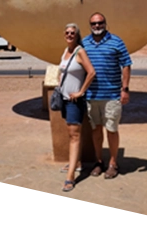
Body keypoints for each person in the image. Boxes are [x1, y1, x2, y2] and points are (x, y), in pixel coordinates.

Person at [82, 12, 132, 179]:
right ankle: (98, 161)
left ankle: (113, 163)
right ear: (90, 25)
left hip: (111, 95)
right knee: (96, 130)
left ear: (105, 23)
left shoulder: (116, 41)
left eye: (100, 23)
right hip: (91, 95)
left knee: (111, 129)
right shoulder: (85, 43)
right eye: (94, 24)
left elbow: (126, 64)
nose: (97, 26)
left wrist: (124, 89)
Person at [58, 23, 96, 192]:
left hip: (74, 102)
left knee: (74, 136)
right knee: (70, 133)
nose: (69, 35)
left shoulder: (80, 51)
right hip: (64, 99)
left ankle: (71, 176)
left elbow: (91, 72)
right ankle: (77, 163)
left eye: (73, 33)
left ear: (77, 35)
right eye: (67, 32)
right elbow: (62, 71)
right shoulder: (66, 51)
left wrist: (81, 91)